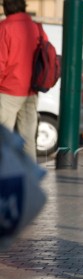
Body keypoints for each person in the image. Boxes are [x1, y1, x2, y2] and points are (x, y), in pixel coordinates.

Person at [0, 0, 47, 160]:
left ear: (6, 7)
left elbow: (0, 62)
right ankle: (30, 178)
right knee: (28, 141)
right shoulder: (36, 28)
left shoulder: (4, 27)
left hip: (8, 91)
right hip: (31, 91)